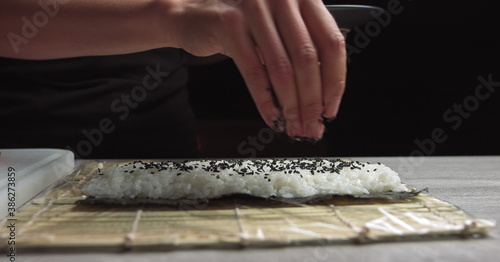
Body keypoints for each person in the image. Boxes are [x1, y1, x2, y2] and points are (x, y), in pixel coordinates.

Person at [0, 0, 346, 158]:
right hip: (19, 158)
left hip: (163, 152)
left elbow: (199, 39)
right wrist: (177, 17)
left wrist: (240, 30)